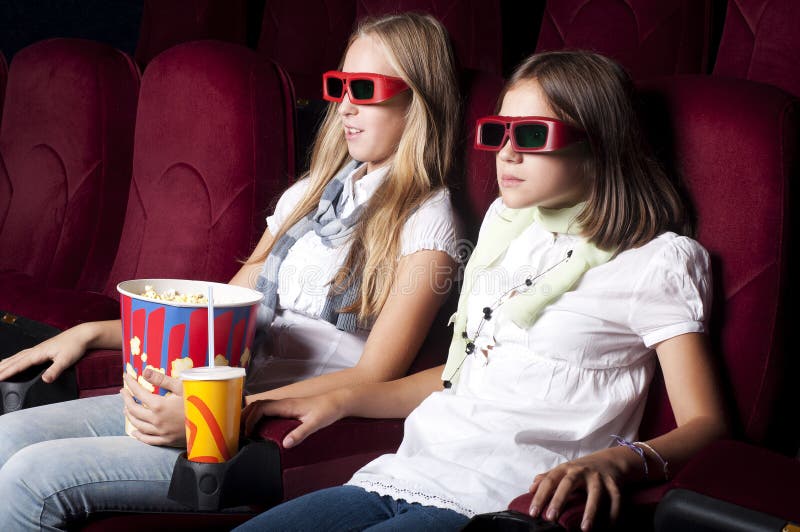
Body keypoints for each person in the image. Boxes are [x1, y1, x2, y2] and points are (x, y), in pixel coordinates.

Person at [0, 13, 463, 528]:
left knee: (27, 480)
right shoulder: (311, 194)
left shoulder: (427, 221)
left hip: (258, 426)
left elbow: (373, 376)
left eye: (365, 88)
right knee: (5, 439)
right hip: (218, 390)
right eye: (339, 86)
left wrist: (215, 415)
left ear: (417, 99)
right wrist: (91, 333)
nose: (345, 105)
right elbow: (223, 309)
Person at [234, 50, 729, 532]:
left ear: (599, 144)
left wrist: (618, 462)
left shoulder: (657, 261)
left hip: (501, 500)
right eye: (499, 132)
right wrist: (345, 400)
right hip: (404, 473)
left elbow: (708, 424)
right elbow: (460, 379)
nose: (507, 153)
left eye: (533, 135)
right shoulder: (507, 227)